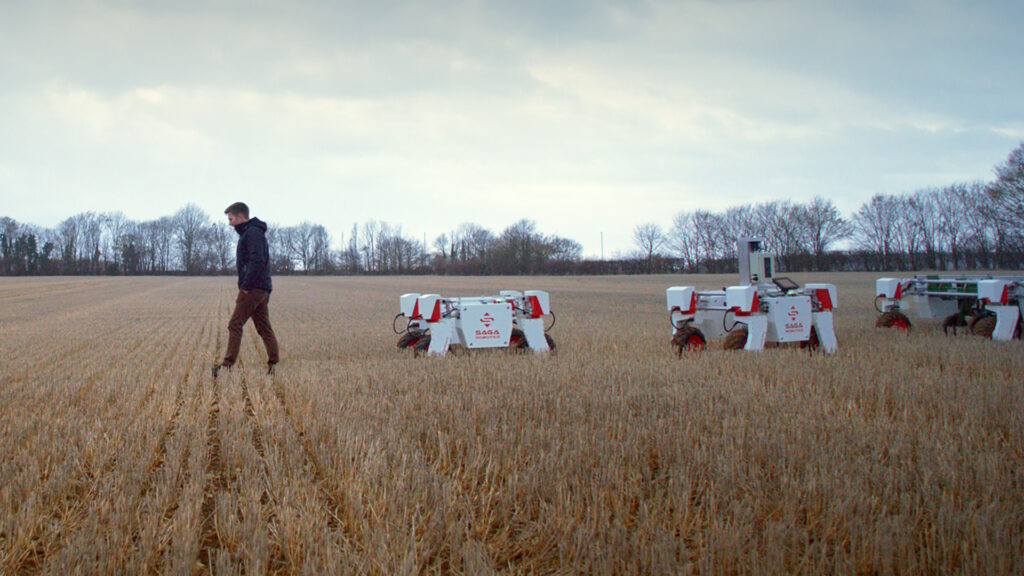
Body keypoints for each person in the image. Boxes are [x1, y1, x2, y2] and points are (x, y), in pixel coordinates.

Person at [213, 202, 280, 377]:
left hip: (254, 288)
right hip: (261, 287)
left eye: (231, 219)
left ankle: (227, 366)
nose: (229, 223)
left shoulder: (252, 233)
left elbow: (257, 261)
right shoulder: (252, 233)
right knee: (263, 326)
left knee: (235, 324)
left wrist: (246, 286)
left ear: (241, 217)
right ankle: (274, 364)